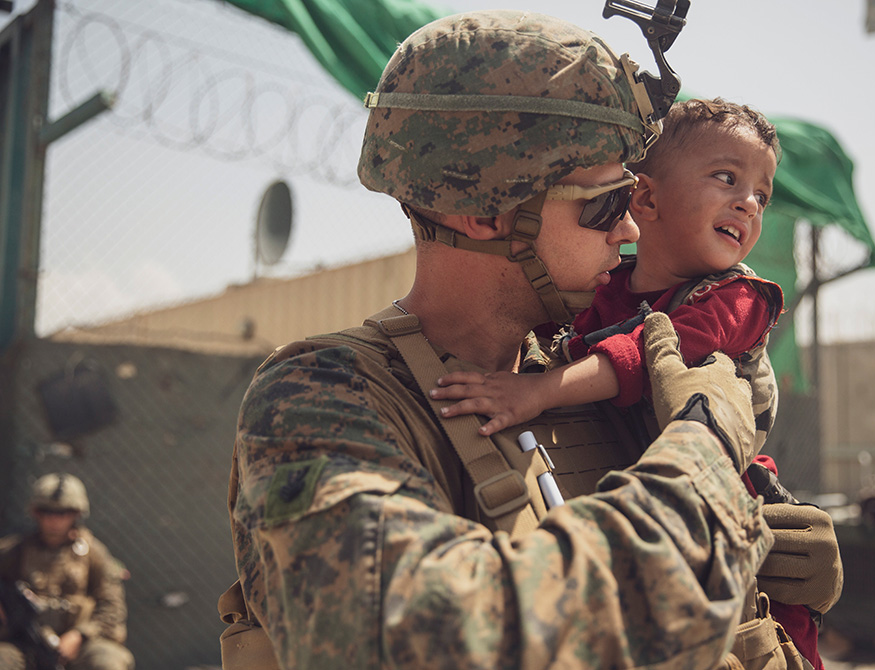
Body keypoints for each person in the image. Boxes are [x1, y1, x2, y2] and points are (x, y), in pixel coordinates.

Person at [222, 10, 779, 670]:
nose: (630, 230)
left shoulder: (581, 371)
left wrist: (754, 558)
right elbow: (439, 640)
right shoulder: (318, 401)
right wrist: (707, 449)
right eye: (604, 206)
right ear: (486, 213)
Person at [432, 97, 842, 668]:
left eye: (762, 196)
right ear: (645, 198)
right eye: (727, 178)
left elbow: (646, 354)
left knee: (771, 625)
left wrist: (537, 391)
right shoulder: (603, 289)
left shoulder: (739, 298)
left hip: (734, 494)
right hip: (628, 477)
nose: (748, 203)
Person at [0, 473, 134, 670]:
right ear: (36, 512)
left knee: (109, 662)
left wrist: (80, 635)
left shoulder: (93, 553)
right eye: (47, 512)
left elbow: (112, 608)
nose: (54, 520)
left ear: (76, 514)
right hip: (23, 645)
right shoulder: (15, 550)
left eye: (63, 513)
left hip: (79, 646)